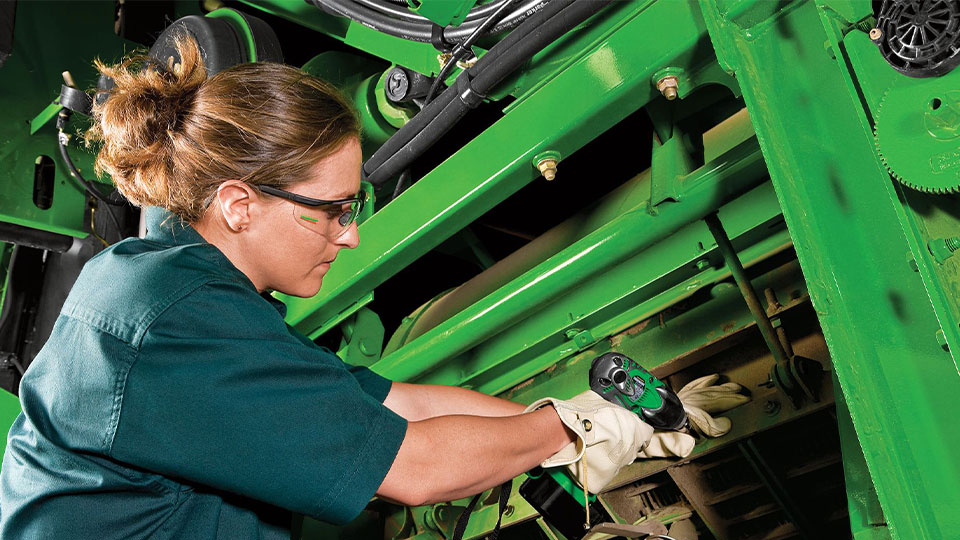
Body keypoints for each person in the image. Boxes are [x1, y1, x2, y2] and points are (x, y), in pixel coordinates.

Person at [0, 35, 658, 539]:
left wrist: (596, 413)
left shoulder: (187, 291)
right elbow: (417, 467)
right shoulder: (169, 316)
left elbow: (402, 405)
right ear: (239, 205)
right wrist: (568, 430)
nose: (350, 236)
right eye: (332, 210)